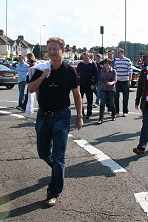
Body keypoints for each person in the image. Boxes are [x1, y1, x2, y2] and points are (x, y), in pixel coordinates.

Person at [28, 37, 83, 207]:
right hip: (43, 116)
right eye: (49, 49)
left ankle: (54, 191)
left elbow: (76, 95)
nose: (51, 52)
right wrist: (43, 77)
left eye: (54, 49)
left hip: (61, 116)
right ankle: (58, 171)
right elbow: (30, 89)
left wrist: (79, 116)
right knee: (43, 153)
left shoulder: (69, 71)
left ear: (62, 51)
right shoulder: (41, 68)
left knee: (59, 156)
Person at [76, 51, 99, 119]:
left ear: (89, 57)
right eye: (83, 58)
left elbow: (96, 75)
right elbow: (77, 73)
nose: (84, 59)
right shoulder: (80, 64)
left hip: (89, 85)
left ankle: (89, 113)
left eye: (86, 58)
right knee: (80, 99)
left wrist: (94, 84)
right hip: (81, 84)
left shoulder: (93, 64)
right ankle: (81, 113)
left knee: (89, 100)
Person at [97, 58, 117, 124]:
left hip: (111, 89)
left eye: (107, 63)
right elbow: (100, 79)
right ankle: (100, 118)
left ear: (110, 64)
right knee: (102, 103)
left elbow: (115, 80)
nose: (105, 65)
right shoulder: (102, 71)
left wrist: (111, 83)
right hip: (103, 89)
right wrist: (102, 82)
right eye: (104, 63)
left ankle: (113, 115)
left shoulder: (113, 71)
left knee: (111, 103)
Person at [114, 48, 132, 117]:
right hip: (117, 81)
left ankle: (125, 111)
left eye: (119, 52)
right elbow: (115, 71)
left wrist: (129, 80)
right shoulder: (116, 61)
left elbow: (130, 71)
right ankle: (117, 111)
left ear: (122, 53)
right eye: (117, 53)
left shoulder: (127, 60)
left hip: (125, 81)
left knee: (125, 97)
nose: (118, 54)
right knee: (116, 96)